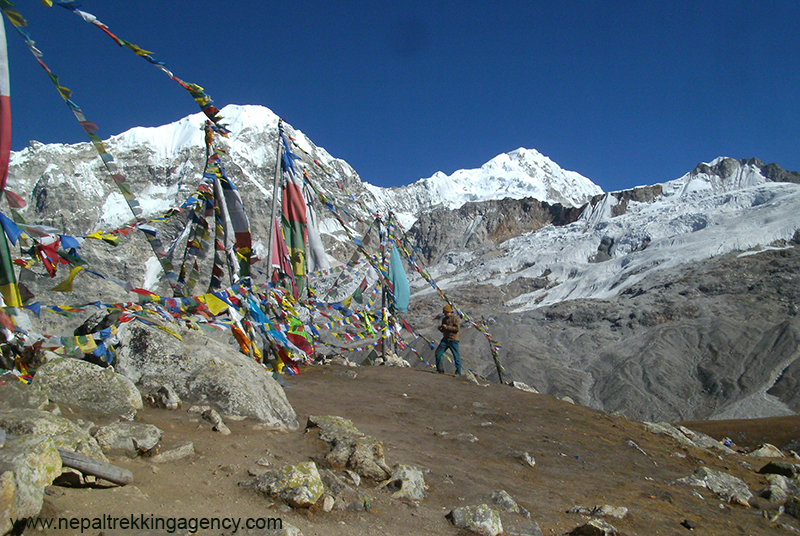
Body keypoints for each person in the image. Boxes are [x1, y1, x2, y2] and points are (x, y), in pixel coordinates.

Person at [435, 304, 461, 375]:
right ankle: (440, 369)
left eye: (446, 312)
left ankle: (458, 372)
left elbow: (457, 329)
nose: (445, 314)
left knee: (456, 356)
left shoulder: (455, 319)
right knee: (438, 353)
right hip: (445, 339)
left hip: (453, 340)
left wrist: (447, 327)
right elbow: (444, 330)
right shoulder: (444, 319)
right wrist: (441, 328)